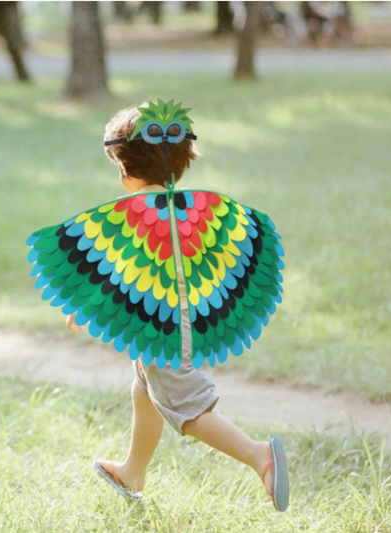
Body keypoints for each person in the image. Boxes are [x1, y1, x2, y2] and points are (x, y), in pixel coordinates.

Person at [64, 102, 289, 512]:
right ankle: (133, 470)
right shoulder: (187, 210)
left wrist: (85, 306)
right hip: (180, 319)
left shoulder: (135, 214)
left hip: (163, 325)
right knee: (146, 388)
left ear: (125, 168)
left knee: (187, 406)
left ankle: (260, 456)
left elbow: (120, 271)